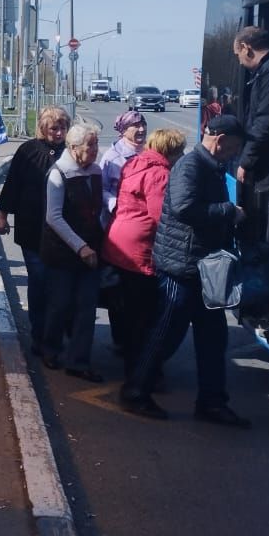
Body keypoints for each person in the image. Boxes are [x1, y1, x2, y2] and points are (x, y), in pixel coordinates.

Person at [120, 114, 250, 426]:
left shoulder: (211, 167)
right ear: (219, 141)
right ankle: (136, 391)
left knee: (213, 338)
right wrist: (229, 212)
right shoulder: (191, 166)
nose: (234, 155)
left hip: (202, 268)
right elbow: (184, 207)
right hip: (181, 267)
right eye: (233, 148)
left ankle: (212, 402)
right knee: (164, 334)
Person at [102, 128, 186, 374]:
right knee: (145, 313)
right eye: (179, 152)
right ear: (170, 152)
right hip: (140, 247)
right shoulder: (160, 174)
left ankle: (127, 353)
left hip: (118, 239)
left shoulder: (135, 162)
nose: (181, 156)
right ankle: (138, 368)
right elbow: (161, 215)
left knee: (126, 307)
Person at [0, 107, 71, 356]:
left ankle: (56, 334)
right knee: (39, 282)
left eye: (63, 128)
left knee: (59, 285)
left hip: (63, 230)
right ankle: (40, 336)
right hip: (32, 228)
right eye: (54, 128)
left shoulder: (72, 152)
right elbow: (12, 183)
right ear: (43, 128)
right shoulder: (27, 151)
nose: (59, 133)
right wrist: (2, 216)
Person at [40, 121, 104, 380]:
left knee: (87, 307)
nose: (95, 150)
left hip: (90, 251)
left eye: (97, 144)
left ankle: (79, 361)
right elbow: (54, 218)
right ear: (74, 148)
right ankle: (50, 349)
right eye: (90, 145)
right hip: (63, 252)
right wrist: (81, 247)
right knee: (60, 304)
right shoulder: (59, 173)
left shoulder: (96, 172)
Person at [233, 24, 269, 330]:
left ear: (247, 49)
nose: (240, 63)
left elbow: (267, 119)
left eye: (238, 55)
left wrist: (246, 160)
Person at [97, 109, 147, 352]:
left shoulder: (149, 154)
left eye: (142, 125)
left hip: (144, 232)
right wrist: (115, 203)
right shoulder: (112, 157)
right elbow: (101, 189)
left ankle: (137, 337)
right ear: (123, 130)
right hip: (116, 228)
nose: (140, 130)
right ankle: (120, 339)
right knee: (118, 288)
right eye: (135, 126)